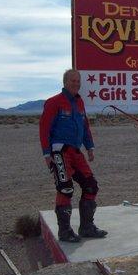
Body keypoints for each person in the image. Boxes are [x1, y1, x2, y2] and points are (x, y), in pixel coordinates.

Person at [39, 69, 107, 242]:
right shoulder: (54, 102)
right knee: (65, 188)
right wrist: (47, 153)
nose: (76, 84)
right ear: (65, 82)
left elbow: (85, 126)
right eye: (72, 80)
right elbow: (44, 128)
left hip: (76, 152)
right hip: (59, 151)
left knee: (91, 185)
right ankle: (65, 231)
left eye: (78, 81)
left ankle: (86, 227)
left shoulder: (79, 103)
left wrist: (89, 147)